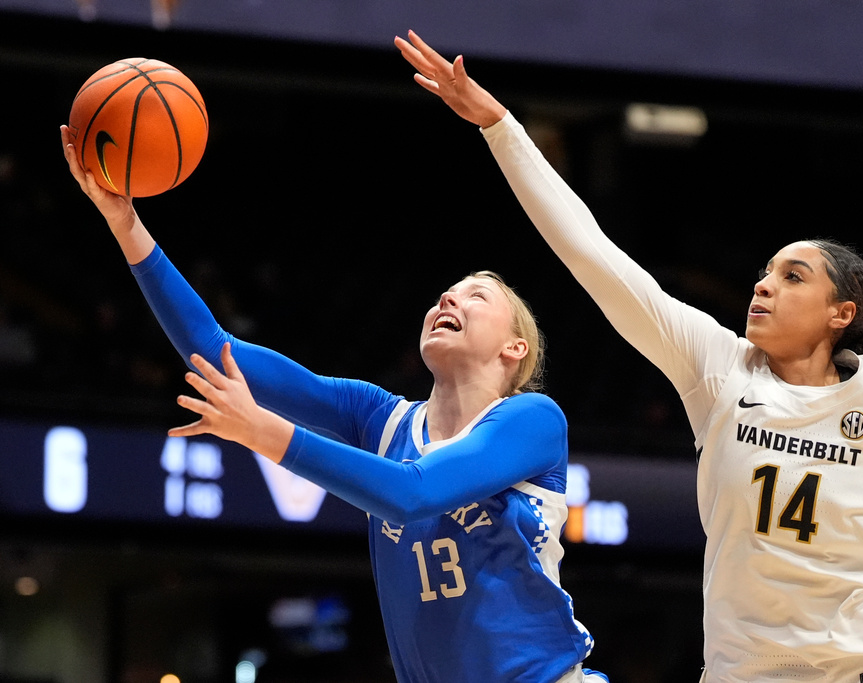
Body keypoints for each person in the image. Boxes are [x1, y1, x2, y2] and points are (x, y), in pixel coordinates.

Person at [395, 30, 863, 683]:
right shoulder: (718, 370)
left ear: (841, 315)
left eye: (793, 277)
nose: (763, 286)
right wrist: (500, 126)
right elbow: (591, 254)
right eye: (765, 272)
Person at [60, 126, 608, 683]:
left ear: (515, 348)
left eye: (476, 295)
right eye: (448, 292)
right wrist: (125, 224)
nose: (448, 297)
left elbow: (412, 493)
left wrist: (262, 432)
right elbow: (214, 347)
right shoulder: (379, 419)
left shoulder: (533, 419)